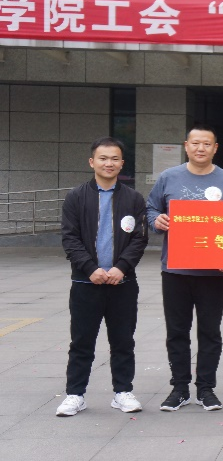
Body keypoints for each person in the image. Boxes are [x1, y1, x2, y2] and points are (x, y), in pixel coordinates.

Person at [146, 125, 223, 412]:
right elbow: (150, 209)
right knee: (177, 331)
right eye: (196, 143)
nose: (201, 148)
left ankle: (206, 388)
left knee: (210, 332)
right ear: (186, 146)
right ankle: (179, 388)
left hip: (212, 273)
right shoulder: (168, 177)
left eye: (207, 144)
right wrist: (156, 221)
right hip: (175, 270)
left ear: (215, 148)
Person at [57, 137, 149, 417]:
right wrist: (89, 268)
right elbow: (70, 238)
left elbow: (139, 239)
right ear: (92, 162)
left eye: (115, 159)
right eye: (103, 158)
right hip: (86, 282)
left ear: (122, 163)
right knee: (81, 341)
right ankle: (75, 394)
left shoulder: (133, 198)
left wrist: (121, 267)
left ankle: (123, 392)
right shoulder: (76, 197)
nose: (109, 163)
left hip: (122, 283)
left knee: (123, 341)